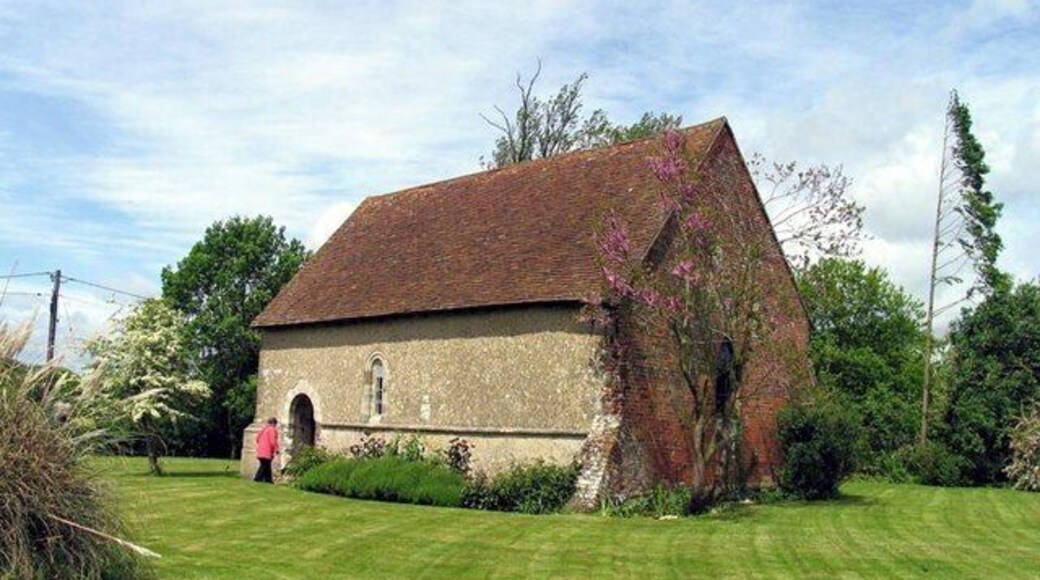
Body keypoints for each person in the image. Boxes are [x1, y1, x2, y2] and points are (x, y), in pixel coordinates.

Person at [253, 417, 280, 483]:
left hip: (260, 450)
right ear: (273, 423)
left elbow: (257, 439)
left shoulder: (264, 429)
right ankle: (257, 478)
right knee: (264, 466)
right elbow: (272, 441)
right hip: (267, 451)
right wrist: (276, 450)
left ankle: (269, 480)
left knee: (267, 466)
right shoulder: (272, 430)